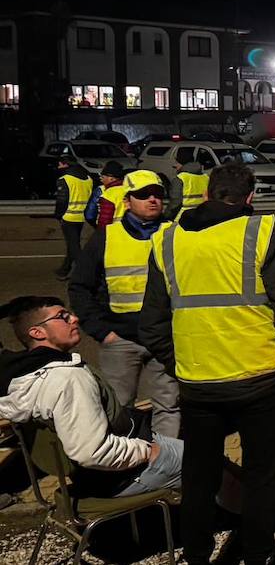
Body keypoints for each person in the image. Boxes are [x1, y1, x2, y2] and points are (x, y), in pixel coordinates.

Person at [140, 162, 275, 565]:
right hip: (262, 378)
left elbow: (152, 323)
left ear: (205, 195)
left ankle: (197, 557)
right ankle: (256, 556)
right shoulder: (259, 231)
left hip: (198, 382)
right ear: (250, 197)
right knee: (261, 476)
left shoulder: (167, 240)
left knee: (200, 477)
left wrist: (180, 362)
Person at [0, 296, 183, 498]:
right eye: (63, 317)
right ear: (37, 332)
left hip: (112, 462)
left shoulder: (25, 374)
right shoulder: (68, 378)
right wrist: (148, 451)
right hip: (121, 475)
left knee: (202, 453)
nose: (74, 319)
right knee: (208, 464)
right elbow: (91, 453)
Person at [68, 170, 180, 436]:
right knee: (118, 409)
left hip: (167, 338)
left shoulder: (175, 234)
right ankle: (127, 468)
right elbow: (79, 286)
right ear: (127, 201)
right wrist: (102, 333)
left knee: (169, 406)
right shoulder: (106, 237)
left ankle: (168, 467)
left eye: (157, 194)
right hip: (120, 341)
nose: (152, 200)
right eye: (143, 195)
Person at [53, 156, 93, 280]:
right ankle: (64, 270)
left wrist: (58, 215)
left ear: (65, 164)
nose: (58, 166)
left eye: (59, 164)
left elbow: (62, 201)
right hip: (82, 216)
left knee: (74, 246)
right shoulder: (88, 178)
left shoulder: (64, 179)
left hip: (69, 217)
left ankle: (87, 272)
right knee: (73, 244)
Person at [85, 162, 128, 230]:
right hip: (128, 231)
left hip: (111, 232)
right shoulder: (129, 189)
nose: (101, 179)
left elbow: (90, 215)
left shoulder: (106, 192)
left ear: (111, 178)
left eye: (103, 176)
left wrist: (99, 230)